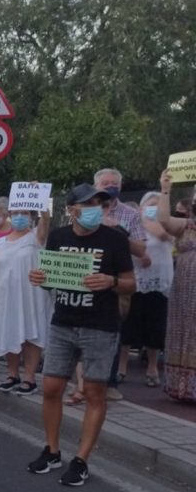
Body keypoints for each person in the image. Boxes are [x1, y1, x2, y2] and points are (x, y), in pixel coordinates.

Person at [27, 183, 135, 486]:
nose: (94, 210)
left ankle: (82, 459)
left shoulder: (114, 239)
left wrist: (110, 280)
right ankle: (52, 450)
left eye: (98, 204)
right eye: (87, 205)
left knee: (93, 393)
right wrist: (40, 278)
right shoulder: (59, 237)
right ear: (72, 210)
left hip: (100, 325)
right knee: (50, 387)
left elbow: (130, 283)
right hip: (63, 322)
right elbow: (52, 279)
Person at [0, 208, 52, 395]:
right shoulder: (0, 243)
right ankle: (12, 374)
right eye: (16, 213)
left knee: (31, 334)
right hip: (7, 296)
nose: (20, 217)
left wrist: (41, 202)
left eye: (25, 213)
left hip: (31, 295)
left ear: (31, 216)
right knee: (9, 332)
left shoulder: (36, 238)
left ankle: (29, 378)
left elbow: (45, 222)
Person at [94, 168, 147, 401]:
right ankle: (84, 383)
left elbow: (141, 249)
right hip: (89, 277)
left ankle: (110, 382)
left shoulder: (130, 215)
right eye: (104, 183)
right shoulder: (84, 211)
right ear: (96, 186)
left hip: (117, 280)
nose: (109, 186)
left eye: (113, 183)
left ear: (120, 187)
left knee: (112, 330)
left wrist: (118, 231)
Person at [118, 192, 173, 387]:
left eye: (158, 206)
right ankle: (122, 367)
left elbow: (164, 236)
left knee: (155, 325)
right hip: (136, 279)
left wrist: (151, 222)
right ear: (141, 207)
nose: (154, 209)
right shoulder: (134, 224)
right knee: (129, 323)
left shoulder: (165, 225)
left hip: (158, 282)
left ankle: (152, 368)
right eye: (150, 205)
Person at [156, 171, 196, 402]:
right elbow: (163, 220)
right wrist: (165, 190)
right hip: (185, 290)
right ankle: (182, 387)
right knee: (185, 331)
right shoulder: (187, 226)